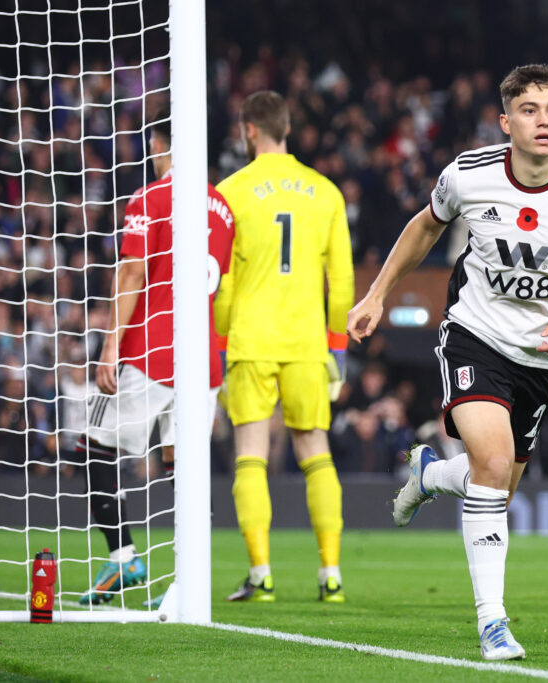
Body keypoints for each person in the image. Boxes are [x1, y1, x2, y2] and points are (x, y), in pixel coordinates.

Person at [347, 64, 548, 660]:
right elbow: (425, 228)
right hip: (473, 334)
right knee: (495, 461)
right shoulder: (469, 174)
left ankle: (430, 476)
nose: (544, 121)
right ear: (506, 122)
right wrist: (376, 293)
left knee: (495, 489)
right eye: (530, 110)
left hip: (541, 356)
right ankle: (493, 623)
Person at [77, 115, 235, 605]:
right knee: (180, 463)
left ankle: (122, 559)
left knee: (93, 443)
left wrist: (109, 346)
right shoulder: (224, 209)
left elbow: (130, 275)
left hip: (151, 351)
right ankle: (191, 581)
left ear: (156, 143)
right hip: (204, 359)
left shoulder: (149, 199)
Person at [215, 90, 354, 603]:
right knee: (315, 451)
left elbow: (224, 281)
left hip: (250, 339)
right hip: (306, 341)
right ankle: (331, 574)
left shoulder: (230, 193)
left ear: (249, 129)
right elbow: (340, 283)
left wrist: (220, 339)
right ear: (287, 127)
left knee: (250, 452)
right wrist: (336, 350)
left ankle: (261, 574)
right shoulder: (326, 192)